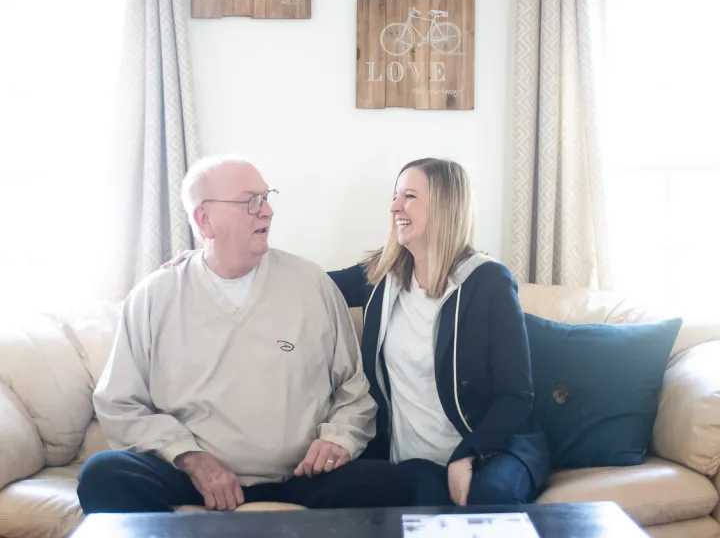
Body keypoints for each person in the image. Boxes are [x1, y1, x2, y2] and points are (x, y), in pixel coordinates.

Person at [77, 156, 409, 514]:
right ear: (205, 220)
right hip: (191, 481)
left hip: (301, 478)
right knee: (103, 474)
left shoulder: (312, 284)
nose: (266, 211)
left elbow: (353, 392)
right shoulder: (154, 296)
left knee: (389, 483)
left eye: (266, 198)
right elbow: (119, 404)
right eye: (250, 201)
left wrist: (338, 440)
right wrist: (189, 457)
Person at [329, 158, 550, 507]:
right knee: (424, 510)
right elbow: (313, 286)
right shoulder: (379, 276)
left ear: (445, 207)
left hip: (492, 447)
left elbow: (516, 395)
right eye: (395, 196)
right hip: (415, 460)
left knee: (490, 497)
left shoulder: (488, 282)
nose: (394, 207)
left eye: (409, 196)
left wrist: (467, 454)